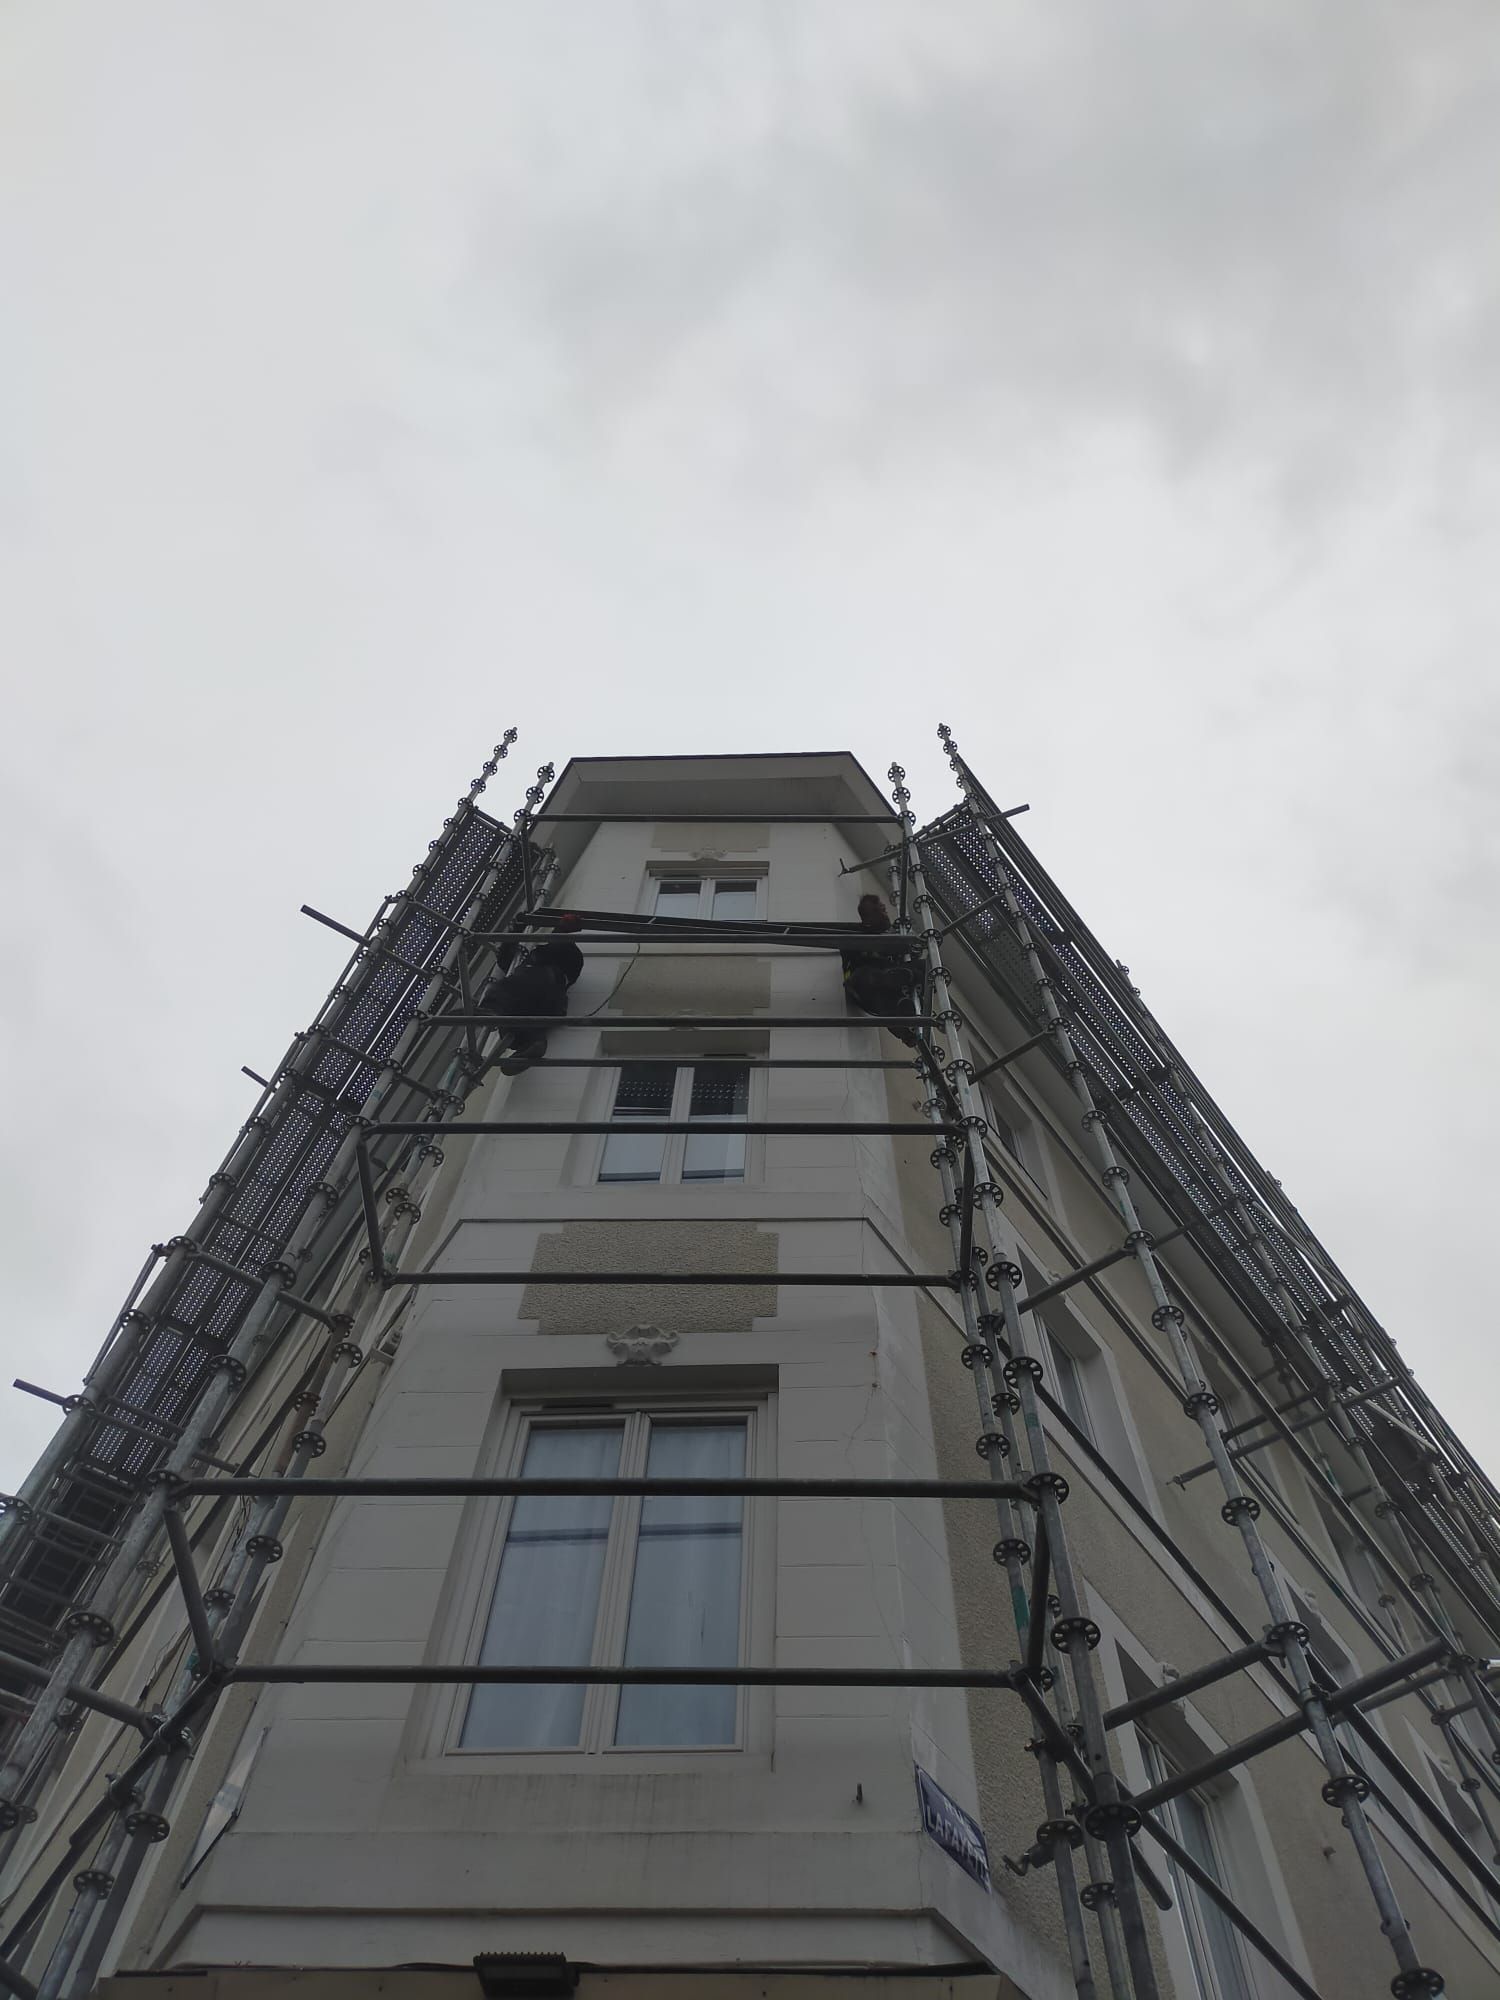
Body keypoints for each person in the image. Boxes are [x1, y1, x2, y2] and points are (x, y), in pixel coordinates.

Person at [480, 913, 585, 1074]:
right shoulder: (531, 960)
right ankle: (533, 1043)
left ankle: (489, 1011)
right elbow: (505, 959)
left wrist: (561, 927)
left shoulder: (565, 954)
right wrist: (517, 930)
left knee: (500, 991)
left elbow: (558, 944)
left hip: (542, 983)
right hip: (551, 1005)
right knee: (513, 1030)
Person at [840, 894, 922, 1047]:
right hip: (866, 983)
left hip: (891, 981)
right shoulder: (856, 937)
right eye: (878, 912)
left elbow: (910, 954)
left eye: (883, 910)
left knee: (920, 969)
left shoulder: (892, 937)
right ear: (867, 919)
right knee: (871, 978)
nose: (884, 914)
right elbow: (852, 960)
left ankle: (906, 1023)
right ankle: (903, 1028)